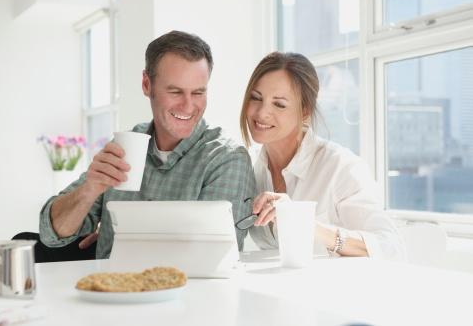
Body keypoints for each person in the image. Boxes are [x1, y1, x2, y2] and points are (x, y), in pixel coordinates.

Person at [39, 30, 256, 259]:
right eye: (175, 91)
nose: (188, 106)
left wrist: (121, 239)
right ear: (146, 84)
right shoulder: (126, 145)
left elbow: (213, 257)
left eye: (198, 92)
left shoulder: (225, 160)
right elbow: (51, 234)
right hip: (105, 290)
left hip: (181, 294)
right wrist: (89, 190)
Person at [238, 52, 405, 260]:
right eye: (255, 98)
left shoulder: (340, 166)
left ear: (305, 110)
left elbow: (390, 247)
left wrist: (305, 223)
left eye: (279, 104)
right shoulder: (249, 169)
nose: (262, 113)